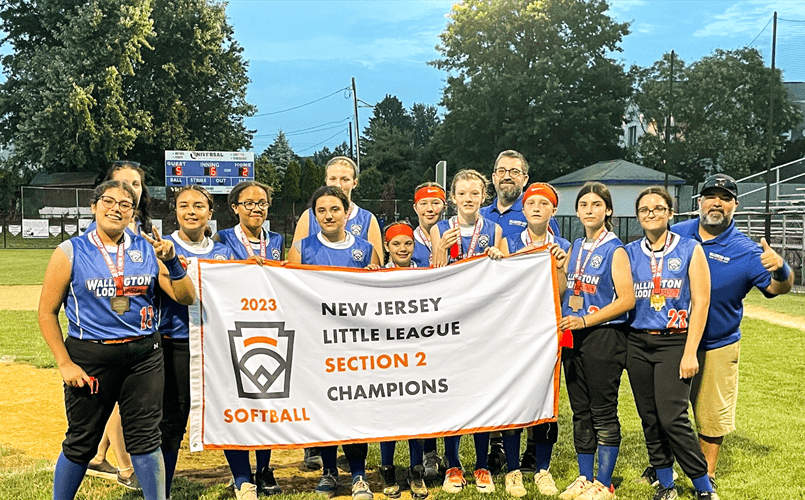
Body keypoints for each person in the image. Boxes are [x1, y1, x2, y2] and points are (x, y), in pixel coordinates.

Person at [39, 180, 195, 500]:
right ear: (94, 206)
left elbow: (186, 296)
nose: (116, 208)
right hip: (91, 357)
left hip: (144, 356)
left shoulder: (148, 249)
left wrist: (172, 261)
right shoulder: (70, 251)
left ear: (133, 213)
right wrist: (65, 363)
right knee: (82, 441)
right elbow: (46, 312)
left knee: (146, 439)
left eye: (125, 204)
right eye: (108, 201)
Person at [669, 174, 793, 490]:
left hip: (717, 342)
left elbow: (778, 288)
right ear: (699, 202)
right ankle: (661, 466)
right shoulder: (677, 235)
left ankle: (705, 474)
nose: (716, 203)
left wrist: (781, 267)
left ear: (734, 205)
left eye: (724, 198)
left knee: (710, 414)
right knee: (667, 408)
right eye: (710, 196)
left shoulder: (747, 250)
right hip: (673, 339)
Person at [625, 186, 719, 500]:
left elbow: (702, 302)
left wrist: (690, 351)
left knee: (672, 417)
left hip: (674, 342)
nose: (650, 214)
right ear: (638, 216)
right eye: (644, 210)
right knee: (649, 417)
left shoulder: (690, 248)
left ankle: (704, 487)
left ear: (670, 213)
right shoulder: (630, 252)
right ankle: (666, 484)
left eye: (657, 208)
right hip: (638, 342)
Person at [287, 185, 378, 500]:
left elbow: (379, 293)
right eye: (321, 210)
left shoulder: (365, 249)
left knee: (354, 407)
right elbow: (290, 293)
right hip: (317, 341)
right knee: (324, 406)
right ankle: (328, 471)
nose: (328, 215)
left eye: (334, 209)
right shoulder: (302, 248)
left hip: (354, 342)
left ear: (346, 213)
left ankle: (358, 475)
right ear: (314, 215)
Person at [479, 151, 559, 473]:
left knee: (534, 388)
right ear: (493, 177)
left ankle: (531, 451)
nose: (507, 176)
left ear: (525, 180)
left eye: (514, 171)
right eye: (501, 171)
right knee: (492, 385)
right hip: (491, 320)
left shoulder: (531, 215)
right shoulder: (479, 216)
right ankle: (495, 445)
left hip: (533, 323)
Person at [157, 186, 238, 499]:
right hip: (175, 344)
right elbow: (180, 295)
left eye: (199, 206)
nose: (191, 211)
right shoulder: (162, 248)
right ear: (175, 211)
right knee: (172, 422)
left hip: (215, 345)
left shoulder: (224, 253)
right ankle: (160, 490)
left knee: (227, 411)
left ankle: (243, 480)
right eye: (183, 206)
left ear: (210, 211)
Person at [557, 181, 635, 500]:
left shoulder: (615, 248)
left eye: (596, 205)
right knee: (580, 410)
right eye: (584, 205)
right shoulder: (576, 244)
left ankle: (604, 484)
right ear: (577, 211)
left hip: (603, 335)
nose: (590, 210)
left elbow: (627, 299)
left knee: (603, 410)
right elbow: (567, 290)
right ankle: (584, 478)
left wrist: (587, 319)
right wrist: (561, 268)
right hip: (572, 334)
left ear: (608, 210)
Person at [430, 169, 503, 494]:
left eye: (475, 193)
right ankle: (453, 464)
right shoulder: (440, 229)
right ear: (453, 197)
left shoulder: (495, 229)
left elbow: (504, 278)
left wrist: (499, 257)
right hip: (450, 323)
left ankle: (483, 465)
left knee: (480, 394)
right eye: (463, 193)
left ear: (484, 196)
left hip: (483, 324)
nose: (469, 199)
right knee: (453, 396)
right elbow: (433, 276)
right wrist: (442, 250)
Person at [498, 182, 570, 497]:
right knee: (515, 402)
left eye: (544, 203)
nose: (537, 207)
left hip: (547, 334)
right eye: (532, 203)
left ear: (553, 210)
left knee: (545, 402)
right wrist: (498, 261)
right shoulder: (509, 242)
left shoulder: (564, 243)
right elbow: (496, 287)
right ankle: (512, 470)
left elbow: (563, 291)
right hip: (514, 334)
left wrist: (558, 266)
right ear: (524, 209)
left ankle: (542, 469)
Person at [213, 180, 283, 500]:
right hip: (232, 331)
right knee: (234, 405)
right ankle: (242, 478)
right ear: (235, 208)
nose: (257, 208)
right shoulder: (222, 239)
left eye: (262, 203)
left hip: (271, 330)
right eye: (249, 203)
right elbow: (213, 275)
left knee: (266, 403)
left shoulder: (278, 240)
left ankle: (263, 469)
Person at [86, 160, 153, 490]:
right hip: (103, 335)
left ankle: (98, 455)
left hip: (135, 331)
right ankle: (127, 468)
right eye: (122, 184)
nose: (130, 190)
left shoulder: (140, 230)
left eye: (136, 185)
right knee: (119, 403)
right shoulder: (96, 236)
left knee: (118, 400)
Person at [373, 222, 430, 500]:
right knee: (390, 414)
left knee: (416, 413)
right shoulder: (376, 276)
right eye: (396, 244)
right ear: (387, 247)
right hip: (386, 357)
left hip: (417, 355)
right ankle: (387, 470)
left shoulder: (423, 275)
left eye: (407, 243)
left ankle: (416, 470)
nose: (403, 248)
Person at [292, 156, 383, 266]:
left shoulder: (367, 219)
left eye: (345, 179)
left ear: (355, 183)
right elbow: (296, 260)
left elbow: (377, 266)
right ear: (326, 181)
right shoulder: (309, 216)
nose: (338, 185)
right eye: (333, 179)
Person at [411, 182, 446, 268]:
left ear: (445, 208)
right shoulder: (408, 241)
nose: (429, 209)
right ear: (415, 208)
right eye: (423, 203)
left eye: (435, 203)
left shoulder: (453, 236)